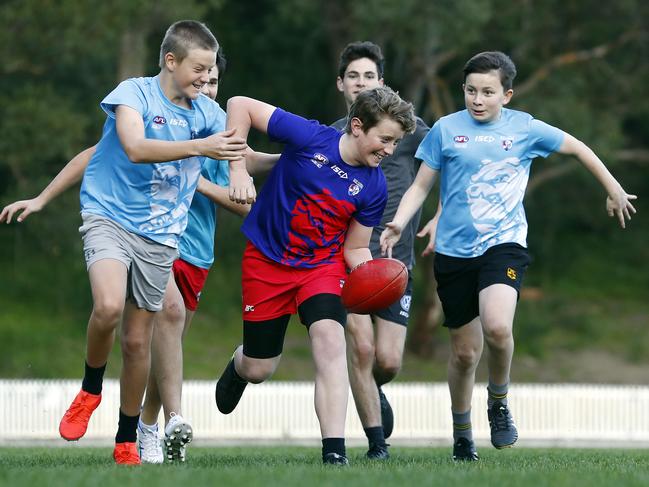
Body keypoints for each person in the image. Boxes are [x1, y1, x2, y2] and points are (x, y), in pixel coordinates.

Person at [0, 51, 275, 464]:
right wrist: (41, 198)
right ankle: (130, 403)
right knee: (146, 310)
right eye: (202, 75)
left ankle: (137, 430)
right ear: (174, 64)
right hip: (134, 226)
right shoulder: (149, 104)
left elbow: (244, 163)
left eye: (214, 80)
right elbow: (109, 150)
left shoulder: (212, 123)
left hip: (184, 247)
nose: (207, 86)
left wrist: (278, 163)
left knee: (150, 342)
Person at [380, 51, 637, 462]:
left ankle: (498, 401)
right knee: (464, 354)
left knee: (498, 327)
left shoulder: (525, 128)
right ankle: (462, 433)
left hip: (504, 243)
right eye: (470, 91)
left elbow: (578, 148)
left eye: (487, 92)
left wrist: (613, 188)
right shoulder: (445, 130)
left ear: (507, 94)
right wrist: (399, 221)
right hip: (452, 252)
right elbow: (420, 186)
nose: (477, 99)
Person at [215, 86, 416, 465]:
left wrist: (375, 278)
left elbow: (355, 248)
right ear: (357, 126)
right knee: (260, 368)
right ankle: (240, 366)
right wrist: (238, 169)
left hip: (320, 269)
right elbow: (239, 105)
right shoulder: (309, 136)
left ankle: (334, 452)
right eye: (385, 139)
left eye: (396, 142)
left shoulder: (374, 185)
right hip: (266, 261)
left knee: (329, 340)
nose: (390, 150)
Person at [330, 41, 429, 459]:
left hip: (394, 263)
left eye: (369, 76)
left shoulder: (411, 131)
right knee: (363, 348)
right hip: (345, 256)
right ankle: (377, 445)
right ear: (341, 84)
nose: (361, 83)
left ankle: (372, 386)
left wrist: (440, 217)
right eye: (353, 76)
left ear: (381, 82)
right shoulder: (332, 134)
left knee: (386, 361)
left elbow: (450, 161)